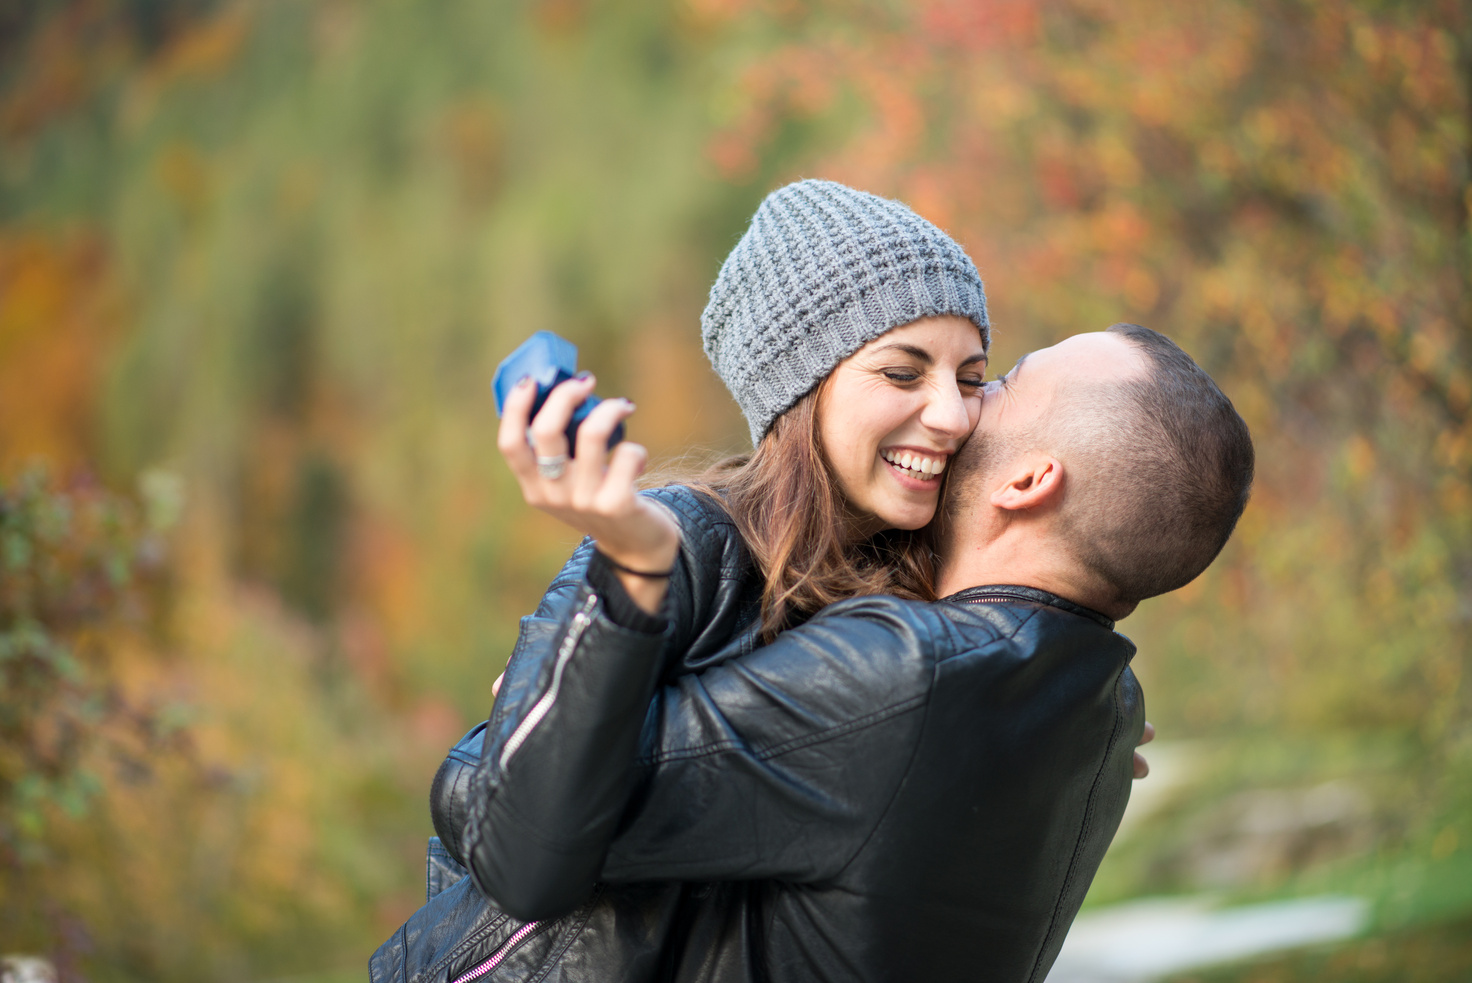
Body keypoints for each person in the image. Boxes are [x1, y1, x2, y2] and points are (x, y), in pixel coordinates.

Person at [372, 324, 1253, 983]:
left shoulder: (908, 678)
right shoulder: (1101, 705)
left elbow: (508, 822)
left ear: (1029, 482)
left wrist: (560, 678)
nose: (958, 412)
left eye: (1000, 383)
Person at [427, 177, 993, 867]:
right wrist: (624, 586)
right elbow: (519, 850)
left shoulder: (951, 574)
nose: (954, 414)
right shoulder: (684, 546)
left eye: (970, 379)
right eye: (904, 374)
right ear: (799, 391)